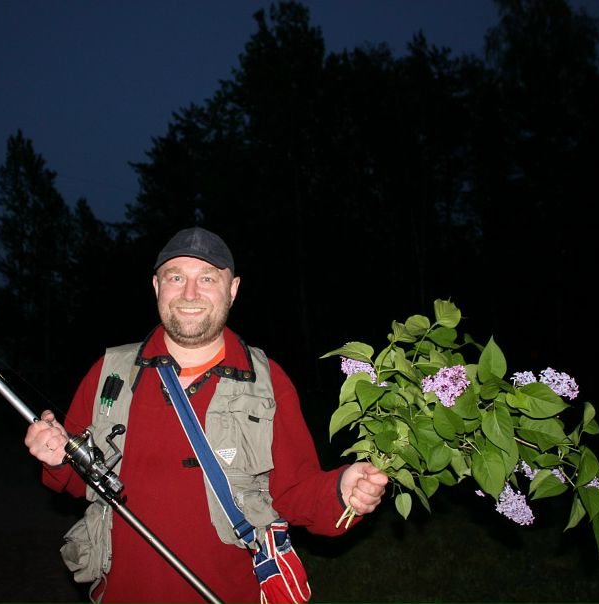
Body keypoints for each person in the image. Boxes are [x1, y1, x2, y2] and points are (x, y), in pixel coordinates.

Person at [25, 226, 388, 604]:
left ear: (232, 290)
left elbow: (295, 492)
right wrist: (56, 457)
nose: (189, 293)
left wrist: (341, 491)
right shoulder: (110, 372)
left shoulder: (267, 381)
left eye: (208, 278)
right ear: (156, 286)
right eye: (176, 277)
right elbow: (75, 479)